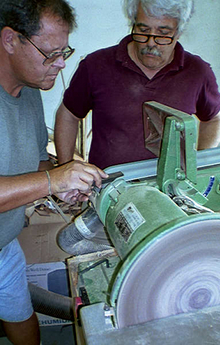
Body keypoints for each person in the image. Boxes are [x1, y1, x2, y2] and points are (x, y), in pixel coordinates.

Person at [0, 1, 108, 344]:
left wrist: (61, 180)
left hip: (3, 246)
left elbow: (33, 165)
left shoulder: (29, 92)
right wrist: (51, 180)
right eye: (50, 54)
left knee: (21, 320)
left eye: (65, 52)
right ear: (9, 40)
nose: (60, 65)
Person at [54, 0, 220, 170]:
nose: (151, 43)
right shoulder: (96, 66)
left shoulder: (197, 72)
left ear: (178, 32)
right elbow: (68, 115)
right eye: (143, 31)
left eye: (163, 33)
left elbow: (214, 118)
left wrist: (200, 165)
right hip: (110, 188)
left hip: (170, 190)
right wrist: (66, 168)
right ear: (133, 24)